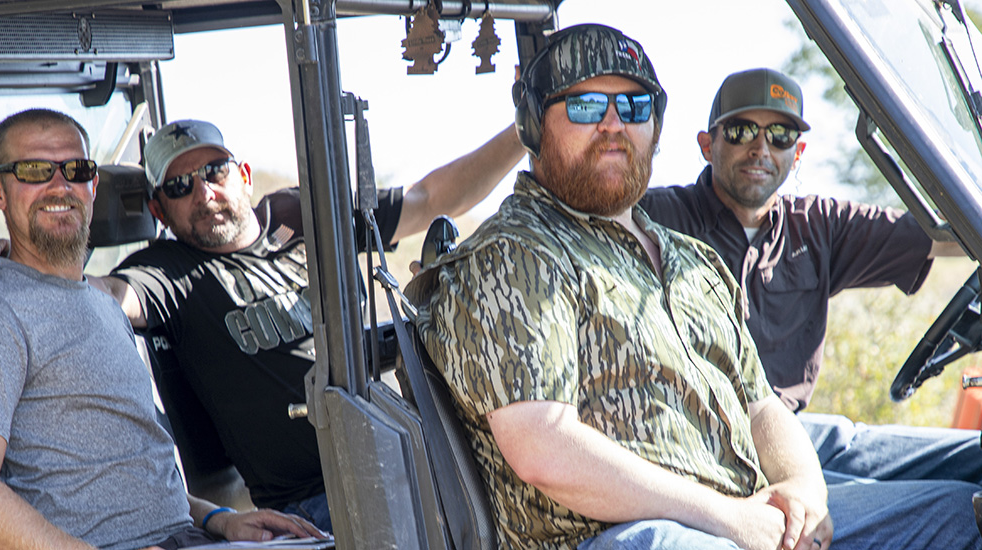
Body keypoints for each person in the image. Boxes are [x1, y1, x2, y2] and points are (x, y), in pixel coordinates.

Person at [409, 23, 982, 550]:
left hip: (736, 507)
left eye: (633, 106)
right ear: (535, 126)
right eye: (585, 105)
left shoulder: (691, 261)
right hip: (629, 532)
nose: (613, 125)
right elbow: (543, 448)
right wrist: (727, 518)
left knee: (964, 516)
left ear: (655, 128)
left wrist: (805, 489)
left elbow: (760, 405)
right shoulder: (518, 253)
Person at [84, 119, 525, 531]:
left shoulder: (300, 214)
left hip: (414, 452)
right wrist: (21, 266)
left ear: (245, 175)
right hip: (320, 503)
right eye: (180, 186)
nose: (204, 193)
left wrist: (524, 130)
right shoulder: (166, 273)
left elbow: (428, 201)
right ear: (159, 211)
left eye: (215, 171)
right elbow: (107, 297)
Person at [0, 109, 323, 550]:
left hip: (192, 537)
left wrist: (220, 520)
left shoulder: (101, 306)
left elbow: (137, 478)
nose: (60, 186)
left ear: (92, 185)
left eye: (76, 170)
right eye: (35, 171)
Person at [637, 68, 982, 485]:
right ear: (708, 145)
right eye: (743, 131)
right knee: (950, 508)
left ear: (797, 153)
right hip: (705, 450)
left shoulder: (818, 226)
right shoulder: (653, 220)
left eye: (780, 135)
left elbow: (943, 235)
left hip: (796, 433)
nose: (761, 148)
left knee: (972, 458)